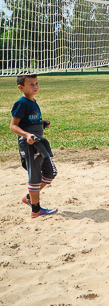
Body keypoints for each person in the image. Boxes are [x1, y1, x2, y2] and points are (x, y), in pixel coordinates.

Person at [10, 74, 58, 218]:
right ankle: (36, 210)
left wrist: (42, 123)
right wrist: (27, 135)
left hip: (39, 142)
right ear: (21, 87)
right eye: (31, 84)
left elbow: (28, 121)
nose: (35, 86)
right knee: (35, 176)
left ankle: (29, 198)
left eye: (36, 83)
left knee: (51, 173)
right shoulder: (22, 103)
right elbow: (13, 126)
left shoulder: (33, 102)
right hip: (29, 144)